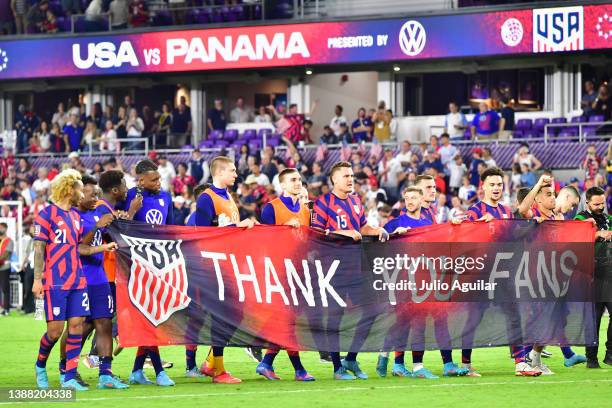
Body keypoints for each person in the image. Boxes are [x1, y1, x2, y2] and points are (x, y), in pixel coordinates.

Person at [32, 170, 115, 391]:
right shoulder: (47, 214)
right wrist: (37, 279)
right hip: (55, 281)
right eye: (80, 188)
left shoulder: (77, 218)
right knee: (55, 332)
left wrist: (103, 247)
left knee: (77, 326)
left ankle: (68, 376)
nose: (83, 193)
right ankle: (40, 365)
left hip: (78, 280)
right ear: (70, 189)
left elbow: (82, 248)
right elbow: (38, 248)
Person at [378, 187, 468, 379]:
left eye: (413, 198)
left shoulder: (428, 223)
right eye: (407, 198)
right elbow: (377, 243)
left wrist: (452, 227)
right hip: (402, 281)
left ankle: (408, 365)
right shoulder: (396, 222)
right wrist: (394, 235)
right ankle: (401, 363)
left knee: (424, 321)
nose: (410, 201)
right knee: (405, 322)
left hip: (423, 280)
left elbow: (439, 244)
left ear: (421, 201)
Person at [311, 161, 389, 380]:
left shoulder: (355, 200)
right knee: (336, 316)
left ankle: (351, 358)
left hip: (357, 264)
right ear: (334, 179)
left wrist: (376, 229)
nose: (350, 179)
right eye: (346, 176)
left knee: (373, 310)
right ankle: (337, 368)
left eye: (352, 176)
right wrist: (343, 233)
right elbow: (315, 234)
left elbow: (362, 226)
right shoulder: (323, 203)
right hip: (334, 267)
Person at [464, 167, 542, 377]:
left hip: (502, 274)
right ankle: (465, 364)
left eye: (499, 184)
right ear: (483, 186)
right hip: (480, 274)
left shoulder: (506, 212)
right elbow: (463, 234)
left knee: (514, 315)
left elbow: (512, 235)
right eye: (492, 184)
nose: (496, 188)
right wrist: (479, 225)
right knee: (474, 319)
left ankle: (520, 363)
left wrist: (532, 225)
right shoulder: (475, 211)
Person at [195, 156, 257, 384]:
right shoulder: (206, 198)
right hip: (213, 266)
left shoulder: (228, 196)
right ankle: (217, 370)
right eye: (231, 170)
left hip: (229, 264)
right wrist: (235, 226)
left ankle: (212, 362)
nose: (235, 174)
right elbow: (199, 234)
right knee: (222, 316)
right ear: (219, 173)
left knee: (236, 314)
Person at [256, 168, 315, 382]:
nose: (298, 183)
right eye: (293, 180)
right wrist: (282, 228)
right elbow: (264, 240)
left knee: (288, 320)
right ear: (282, 185)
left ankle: (268, 362)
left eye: (299, 179)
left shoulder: (306, 210)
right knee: (288, 319)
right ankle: (297, 369)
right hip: (279, 270)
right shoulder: (271, 208)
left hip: (300, 269)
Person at [121, 160, 175, 387]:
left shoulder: (166, 198)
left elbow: (170, 229)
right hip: (136, 265)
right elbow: (121, 227)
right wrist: (131, 210)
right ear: (140, 180)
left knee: (154, 318)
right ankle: (160, 371)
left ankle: (136, 371)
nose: (159, 182)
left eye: (159, 178)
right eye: (154, 180)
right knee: (150, 318)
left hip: (160, 264)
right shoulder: (130, 196)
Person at [71, 175, 127, 389]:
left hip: (100, 277)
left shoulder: (97, 212)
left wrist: (121, 217)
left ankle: (106, 374)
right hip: (79, 278)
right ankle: (68, 370)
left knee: (104, 324)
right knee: (77, 327)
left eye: (97, 193)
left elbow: (111, 238)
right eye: (91, 194)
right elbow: (78, 247)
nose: (96, 198)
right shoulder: (73, 217)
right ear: (78, 194)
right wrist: (97, 226)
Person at [574, 187, 612, 368]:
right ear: (587, 202)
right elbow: (576, 236)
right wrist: (598, 234)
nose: (600, 207)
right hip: (591, 274)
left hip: (609, 272)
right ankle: (591, 358)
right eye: (596, 204)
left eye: (602, 203)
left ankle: (610, 354)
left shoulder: (608, 219)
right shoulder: (580, 218)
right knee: (594, 317)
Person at [0, 223, 13, 316]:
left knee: (5, 289)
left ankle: (7, 309)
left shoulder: (9, 241)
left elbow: (6, 254)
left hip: (4, 267)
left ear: (5, 229)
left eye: (1, 228)